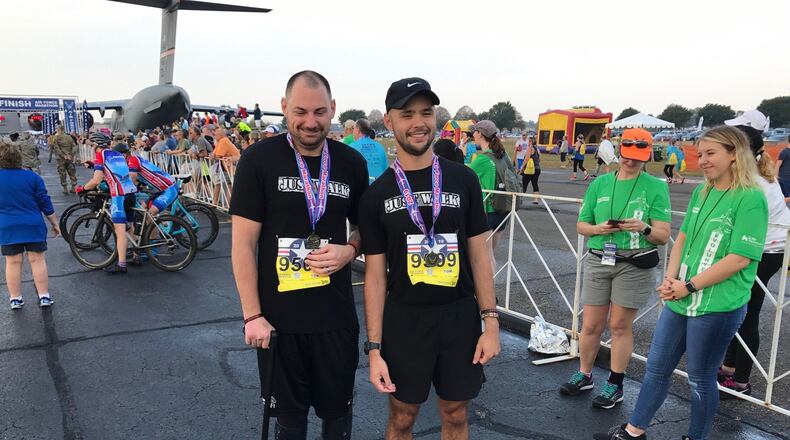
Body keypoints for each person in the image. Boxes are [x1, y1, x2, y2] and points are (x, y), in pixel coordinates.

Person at [595, 126, 768, 440]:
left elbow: (740, 258)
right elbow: (683, 237)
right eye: (700, 153)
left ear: (734, 154)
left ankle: (696, 436)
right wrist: (671, 278)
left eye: (710, 153)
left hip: (717, 305)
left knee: (700, 378)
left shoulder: (751, 198)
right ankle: (634, 430)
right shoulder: (704, 191)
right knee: (657, 368)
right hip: (681, 297)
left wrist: (689, 286)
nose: (701, 160)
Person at [230, 70, 368, 440]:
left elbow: (366, 227)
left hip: (334, 318)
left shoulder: (351, 163)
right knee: (289, 424)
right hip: (279, 322)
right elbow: (243, 243)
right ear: (284, 108)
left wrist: (350, 249)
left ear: (334, 109)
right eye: (301, 112)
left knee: (338, 421)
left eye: (320, 112)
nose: (310, 122)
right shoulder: (258, 160)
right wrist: (252, 316)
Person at [359, 76, 499, 440]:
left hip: (459, 316)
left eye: (426, 112)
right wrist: (374, 348)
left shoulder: (463, 179)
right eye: (407, 114)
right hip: (405, 319)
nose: (418, 122)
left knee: (455, 414)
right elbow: (374, 277)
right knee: (402, 418)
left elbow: (480, 257)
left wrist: (492, 322)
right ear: (389, 122)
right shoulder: (377, 194)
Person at [561, 128, 671, 411]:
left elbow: (661, 235)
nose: (630, 162)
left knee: (620, 325)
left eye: (637, 158)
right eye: (627, 156)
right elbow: (582, 225)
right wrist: (597, 229)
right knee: (591, 324)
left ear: (646, 157)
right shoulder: (599, 184)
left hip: (634, 263)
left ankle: (615, 382)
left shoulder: (656, 187)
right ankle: (584, 373)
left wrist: (644, 227)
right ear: (619, 151)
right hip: (600, 258)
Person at [717, 111, 790, 397]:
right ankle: (730, 368)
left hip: (767, 248)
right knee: (740, 307)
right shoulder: (755, 172)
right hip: (764, 245)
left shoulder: (755, 180)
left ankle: (742, 380)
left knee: (747, 311)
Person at [0, 141, 59, 309]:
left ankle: (15, 299)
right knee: (37, 259)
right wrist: (54, 223)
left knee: (12, 262)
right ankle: (44, 296)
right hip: (32, 224)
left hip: (7, 226)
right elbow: (45, 203)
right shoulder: (33, 177)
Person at [76, 139, 138, 274]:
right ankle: (136, 255)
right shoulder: (118, 155)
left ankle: (121, 264)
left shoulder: (100, 156)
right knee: (129, 225)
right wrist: (94, 165)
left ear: (97, 147)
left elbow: (96, 180)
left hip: (119, 195)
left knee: (120, 230)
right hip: (131, 192)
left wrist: (83, 188)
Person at [469, 120, 512, 269]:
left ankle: (486, 291)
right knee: (491, 255)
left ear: (480, 134)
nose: (472, 134)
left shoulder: (482, 159)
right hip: (503, 208)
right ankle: (491, 289)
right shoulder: (503, 155)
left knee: (484, 257)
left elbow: (463, 176)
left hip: (488, 210)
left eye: (474, 131)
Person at [349, 118, 389, 183]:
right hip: (379, 186)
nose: (353, 132)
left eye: (354, 128)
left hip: (361, 188)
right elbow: (386, 170)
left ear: (358, 130)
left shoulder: (351, 147)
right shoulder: (379, 146)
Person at [52, 125, 79, 194]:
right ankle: (73, 187)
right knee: (72, 172)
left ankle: (65, 188)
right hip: (69, 157)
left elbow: (56, 148)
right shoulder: (69, 137)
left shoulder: (56, 137)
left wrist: (63, 155)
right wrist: (71, 155)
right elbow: (74, 146)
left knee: (62, 173)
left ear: (58, 129)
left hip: (61, 159)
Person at [521, 136, 541, 203]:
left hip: (529, 169)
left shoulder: (530, 148)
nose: (528, 142)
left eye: (529, 141)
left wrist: (522, 167)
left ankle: (519, 198)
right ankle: (536, 199)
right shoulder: (537, 149)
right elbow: (539, 159)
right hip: (537, 169)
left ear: (531, 142)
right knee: (535, 183)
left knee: (524, 183)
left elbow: (526, 159)